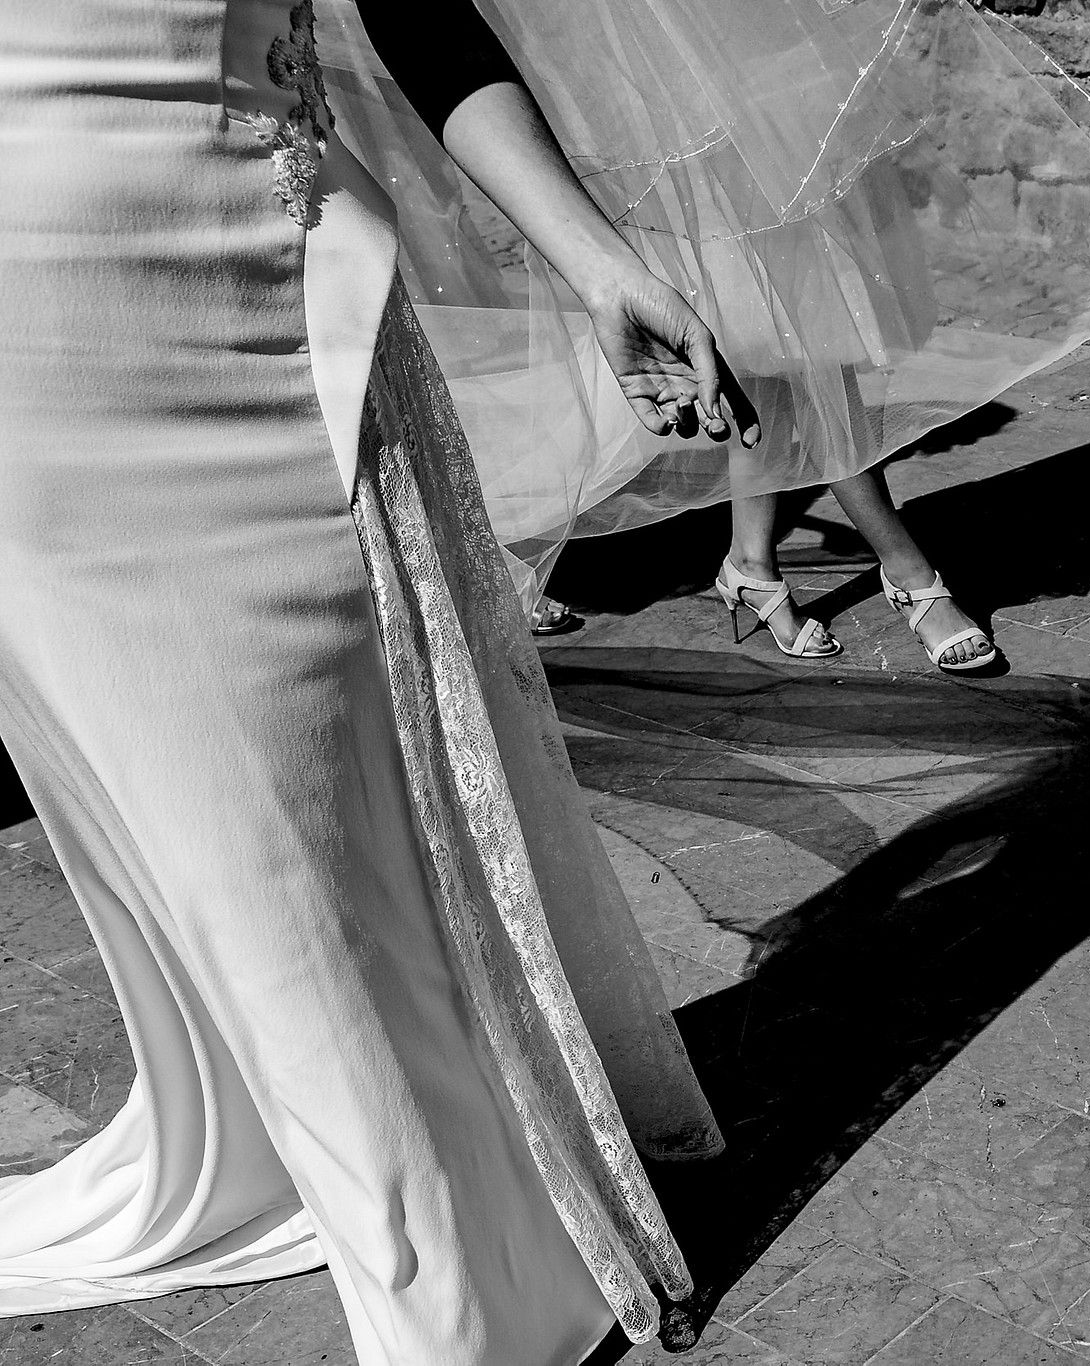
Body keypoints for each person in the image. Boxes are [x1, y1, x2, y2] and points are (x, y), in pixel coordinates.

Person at [0, 1, 751, 1360]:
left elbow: (414, 6)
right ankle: (375, 1201)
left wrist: (594, 260)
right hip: (30, 323)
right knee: (200, 818)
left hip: (266, 271)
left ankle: (444, 1237)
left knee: (319, 798)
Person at [330, 0, 1090, 675]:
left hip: (776, 87)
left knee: (789, 342)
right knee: (783, 341)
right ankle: (902, 568)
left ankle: (757, 565)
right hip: (668, 97)